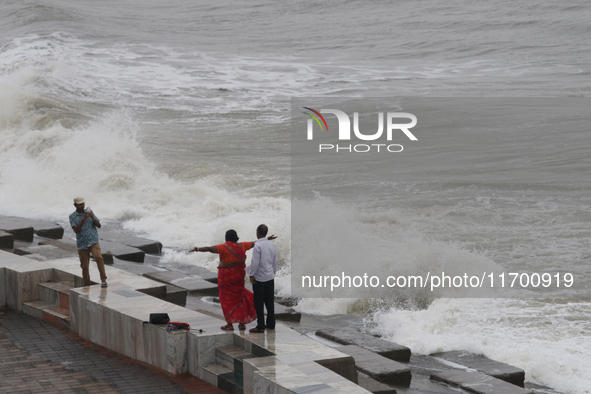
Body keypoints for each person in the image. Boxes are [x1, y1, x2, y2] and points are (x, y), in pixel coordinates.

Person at [190, 229, 276, 331]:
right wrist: (266, 239)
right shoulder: (242, 246)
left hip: (225, 279)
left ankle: (230, 324)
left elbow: (209, 249)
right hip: (238, 278)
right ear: (236, 237)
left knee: (226, 300)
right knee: (240, 298)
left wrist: (198, 249)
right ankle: (242, 323)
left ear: (226, 238)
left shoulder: (223, 247)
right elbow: (254, 243)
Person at [69, 197, 107, 288]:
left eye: (83, 204)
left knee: (99, 257)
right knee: (85, 267)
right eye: (79, 204)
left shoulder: (89, 212)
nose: (82, 206)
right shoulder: (72, 216)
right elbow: (76, 230)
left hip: (93, 241)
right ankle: (87, 284)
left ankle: (103, 280)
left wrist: (92, 217)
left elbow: (99, 225)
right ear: (75, 205)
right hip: (82, 244)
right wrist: (84, 219)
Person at [246, 224, 277, 333]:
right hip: (269, 277)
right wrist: (273, 272)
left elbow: (255, 263)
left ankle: (260, 326)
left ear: (258, 232)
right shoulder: (272, 245)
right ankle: (271, 324)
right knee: (269, 302)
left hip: (259, 278)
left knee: (259, 302)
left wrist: (251, 274)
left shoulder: (258, 246)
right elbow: (274, 262)